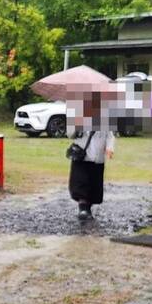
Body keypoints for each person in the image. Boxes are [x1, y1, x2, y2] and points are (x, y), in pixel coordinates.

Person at [68, 91, 115, 220]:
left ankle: (88, 208)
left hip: (98, 158)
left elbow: (110, 136)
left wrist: (110, 148)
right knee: (81, 182)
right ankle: (82, 208)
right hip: (82, 156)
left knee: (94, 184)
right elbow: (70, 134)